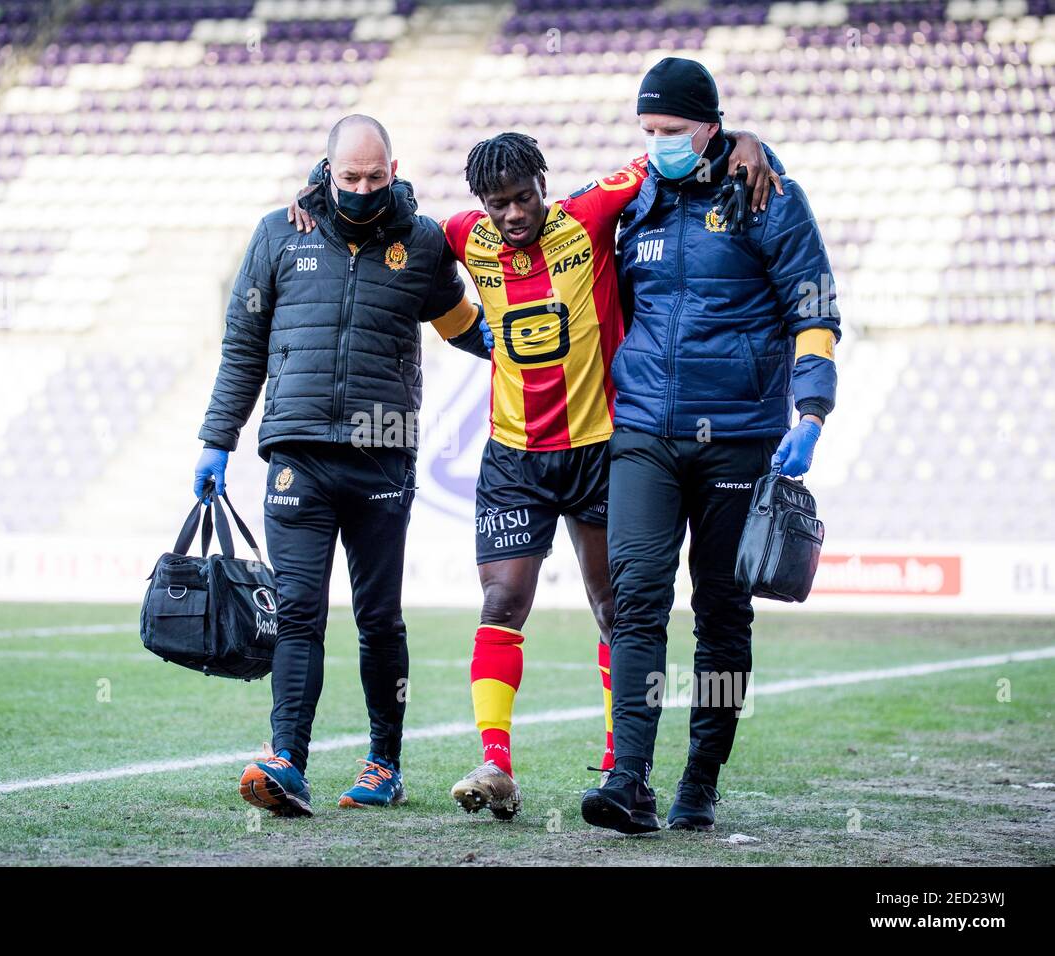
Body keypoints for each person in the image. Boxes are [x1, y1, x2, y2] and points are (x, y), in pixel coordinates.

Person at [286, 125, 779, 820]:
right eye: (497, 204)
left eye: (522, 198)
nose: (511, 214)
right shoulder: (463, 234)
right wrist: (313, 187)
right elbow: (388, 205)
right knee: (500, 603)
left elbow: (677, 153)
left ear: (545, 187)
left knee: (616, 611)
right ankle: (496, 763)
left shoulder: (591, 213)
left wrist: (745, 142)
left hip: (602, 450)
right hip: (514, 456)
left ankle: (619, 768)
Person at [195, 114, 488, 817]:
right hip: (297, 451)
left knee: (378, 617)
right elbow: (243, 345)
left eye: (375, 177)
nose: (362, 189)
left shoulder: (421, 244)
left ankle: (384, 764)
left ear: (395, 169)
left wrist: (539, 345)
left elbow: (463, 327)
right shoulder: (278, 234)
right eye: (349, 177)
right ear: (326, 171)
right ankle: (286, 761)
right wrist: (216, 440)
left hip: (383, 456)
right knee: (296, 612)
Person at [580, 58, 840, 835]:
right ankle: (627, 778)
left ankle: (700, 778)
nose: (656, 143)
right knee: (635, 603)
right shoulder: (637, 199)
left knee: (722, 612)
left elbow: (815, 302)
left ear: (711, 125)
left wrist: (813, 411)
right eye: (648, 131)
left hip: (738, 437)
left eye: (671, 130)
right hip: (644, 434)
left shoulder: (768, 195)